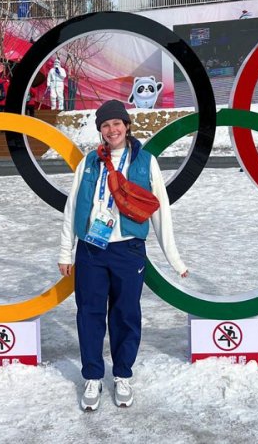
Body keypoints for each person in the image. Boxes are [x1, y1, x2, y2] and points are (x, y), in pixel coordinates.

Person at [58, 99, 188, 412]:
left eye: (117, 123)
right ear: (100, 131)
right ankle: (92, 376)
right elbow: (73, 207)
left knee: (126, 313)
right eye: (105, 125)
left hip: (128, 249)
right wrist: (66, 251)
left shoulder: (145, 161)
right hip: (91, 248)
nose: (112, 130)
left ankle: (122, 373)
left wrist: (174, 258)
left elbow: (161, 211)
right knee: (89, 313)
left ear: (127, 126)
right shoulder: (89, 162)